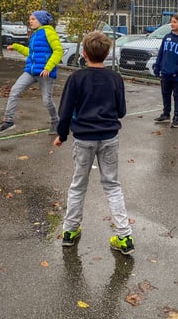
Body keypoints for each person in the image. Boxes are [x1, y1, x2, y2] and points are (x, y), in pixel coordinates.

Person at [54, 31, 134, 255]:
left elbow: (65, 111)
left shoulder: (76, 78)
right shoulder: (115, 78)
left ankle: (69, 231)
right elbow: (121, 111)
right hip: (109, 138)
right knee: (112, 185)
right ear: (107, 53)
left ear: (84, 53)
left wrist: (62, 135)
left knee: (78, 185)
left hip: (83, 139)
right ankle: (125, 236)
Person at [0, 10, 62, 135]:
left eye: (33, 19)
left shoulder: (49, 32)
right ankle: (8, 121)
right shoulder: (34, 35)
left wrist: (48, 68)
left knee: (47, 100)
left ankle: (55, 121)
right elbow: (31, 53)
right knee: (15, 90)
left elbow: (58, 51)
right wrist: (16, 46)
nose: (30, 21)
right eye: (30, 19)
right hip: (30, 71)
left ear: (41, 21)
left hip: (45, 73)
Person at [152, 12, 178, 128]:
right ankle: (166, 114)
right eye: (172, 21)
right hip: (165, 73)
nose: (172, 24)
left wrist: (177, 70)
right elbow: (161, 53)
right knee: (165, 94)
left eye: (174, 22)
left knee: (177, 95)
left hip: (177, 76)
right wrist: (157, 66)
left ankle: (176, 117)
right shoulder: (167, 37)